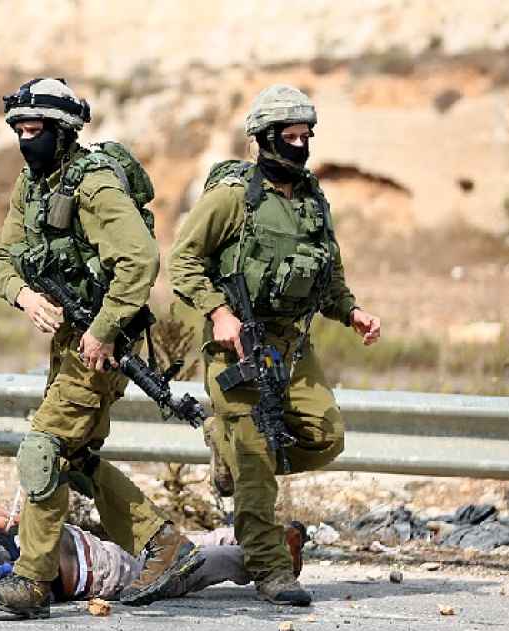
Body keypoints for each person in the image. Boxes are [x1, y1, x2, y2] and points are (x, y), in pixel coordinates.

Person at [0, 77, 203, 619]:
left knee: (43, 448)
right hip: (68, 339)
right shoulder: (32, 185)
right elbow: (2, 259)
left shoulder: (94, 184)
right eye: (19, 130)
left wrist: (103, 329)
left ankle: (32, 582)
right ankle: (163, 543)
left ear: (62, 132)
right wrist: (25, 296)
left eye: (36, 129)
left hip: (104, 340)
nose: (26, 139)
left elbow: (140, 260)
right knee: (75, 458)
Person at [168, 84, 381, 606]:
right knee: (256, 463)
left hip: (293, 345)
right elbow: (183, 261)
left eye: (306, 136)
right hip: (238, 345)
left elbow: (328, 274)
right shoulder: (232, 198)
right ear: (264, 138)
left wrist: (351, 312)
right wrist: (218, 312)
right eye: (290, 136)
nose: (300, 145)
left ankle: (228, 447)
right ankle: (270, 568)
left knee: (325, 436)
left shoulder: (313, 200)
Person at [0, 495, 307, 606]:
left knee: (176, 575)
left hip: (85, 570)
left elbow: (21, 581)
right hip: (61, 535)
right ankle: (247, 539)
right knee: (147, 557)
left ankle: (266, 558)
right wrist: (3, 517)